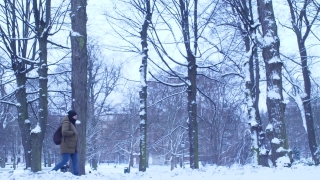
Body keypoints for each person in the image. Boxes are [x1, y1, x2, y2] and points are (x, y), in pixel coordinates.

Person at [52, 110, 79, 175]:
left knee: (75, 161)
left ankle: (76, 176)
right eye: (75, 116)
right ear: (72, 116)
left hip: (73, 146)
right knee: (64, 161)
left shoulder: (72, 123)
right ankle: (52, 172)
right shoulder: (66, 122)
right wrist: (72, 133)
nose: (76, 117)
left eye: (76, 116)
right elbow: (64, 132)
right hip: (67, 145)